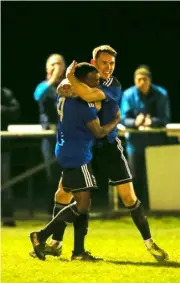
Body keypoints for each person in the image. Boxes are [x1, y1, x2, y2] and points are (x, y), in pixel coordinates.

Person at [31, 45, 169, 262]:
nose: (108, 68)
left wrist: (71, 83)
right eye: (104, 63)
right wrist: (70, 84)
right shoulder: (85, 79)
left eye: (112, 63)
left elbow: (84, 93)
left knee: (128, 197)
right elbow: (61, 89)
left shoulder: (113, 85)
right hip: (86, 148)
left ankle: (150, 243)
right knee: (65, 195)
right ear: (93, 63)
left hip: (109, 146)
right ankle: (57, 244)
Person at [29, 62, 120, 261]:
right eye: (93, 80)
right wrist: (115, 121)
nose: (97, 83)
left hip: (65, 149)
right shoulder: (82, 102)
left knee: (64, 193)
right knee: (83, 204)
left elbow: (67, 89)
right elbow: (97, 132)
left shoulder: (66, 93)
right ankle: (43, 236)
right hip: (78, 154)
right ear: (81, 80)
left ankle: (62, 245)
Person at [120, 65, 171, 208]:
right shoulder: (128, 94)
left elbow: (165, 118)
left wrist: (151, 121)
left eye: (144, 79)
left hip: (155, 142)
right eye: (138, 80)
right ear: (135, 80)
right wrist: (135, 122)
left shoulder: (161, 94)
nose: (141, 83)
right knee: (135, 176)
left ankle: (157, 206)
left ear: (150, 80)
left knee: (155, 176)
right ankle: (136, 207)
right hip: (135, 144)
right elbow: (123, 118)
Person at [33, 54, 66, 213]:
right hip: (50, 137)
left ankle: (72, 212)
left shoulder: (70, 85)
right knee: (52, 175)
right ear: (47, 68)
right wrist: (53, 79)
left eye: (59, 64)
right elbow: (37, 96)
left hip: (69, 137)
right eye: (53, 64)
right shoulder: (43, 86)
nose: (56, 67)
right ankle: (52, 211)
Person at [1, 87, 20, 226]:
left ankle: (7, 218)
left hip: (2, 147)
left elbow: (15, 112)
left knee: (4, 184)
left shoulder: (5, 94)